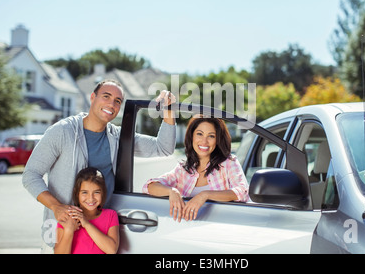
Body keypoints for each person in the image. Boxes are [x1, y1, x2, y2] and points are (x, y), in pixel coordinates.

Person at [22, 79, 176, 252]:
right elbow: (31, 174)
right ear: (92, 97)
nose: (111, 104)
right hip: (61, 231)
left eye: (117, 101)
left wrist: (168, 109)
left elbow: (163, 148)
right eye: (106, 96)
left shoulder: (117, 137)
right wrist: (56, 207)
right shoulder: (62, 132)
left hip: (98, 235)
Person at [143, 116, 249, 222]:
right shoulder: (183, 170)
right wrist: (172, 192)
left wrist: (204, 195)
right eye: (199, 134)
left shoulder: (229, 163)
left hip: (224, 226)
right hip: (189, 229)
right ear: (192, 136)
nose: (204, 141)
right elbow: (149, 186)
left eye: (211, 136)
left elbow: (241, 191)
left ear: (218, 140)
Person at [55, 167, 119, 254]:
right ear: (77, 193)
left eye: (96, 192)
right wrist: (69, 230)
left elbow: (111, 250)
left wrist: (86, 224)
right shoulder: (68, 216)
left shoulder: (110, 215)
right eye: (85, 192)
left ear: (103, 193)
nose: (90, 198)